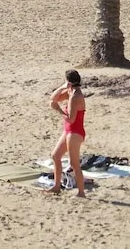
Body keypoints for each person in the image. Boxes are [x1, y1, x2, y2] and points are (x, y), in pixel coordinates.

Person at [46, 69, 87, 197]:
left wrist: (58, 110)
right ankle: (56, 186)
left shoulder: (75, 97)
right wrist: (63, 87)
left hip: (75, 132)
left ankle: (81, 192)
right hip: (68, 130)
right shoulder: (70, 92)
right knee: (55, 156)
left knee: (74, 164)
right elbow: (53, 98)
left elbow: (71, 119)